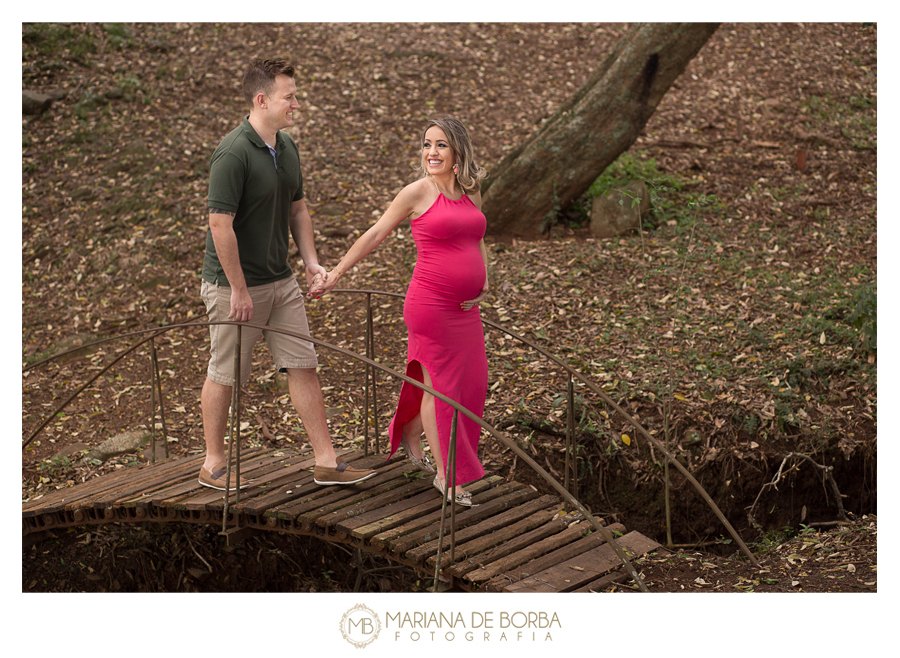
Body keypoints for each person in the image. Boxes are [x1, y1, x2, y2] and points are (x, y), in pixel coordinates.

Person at [198, 58, 376, 490]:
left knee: (303, 365)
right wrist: (239, 289)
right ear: (262, 100)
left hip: (281, 281)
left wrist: (311, 261)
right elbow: (219, 224)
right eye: (289, 97)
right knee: (225, 373)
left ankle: (326, 461)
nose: (296, 103)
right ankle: (213, 463)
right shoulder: (233, 152)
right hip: (233, 287)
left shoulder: (287, 146)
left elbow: (297, 208)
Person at [310, 116, 489, 506]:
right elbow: (376, 232)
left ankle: (410, 428)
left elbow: (476, 237)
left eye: (440, 144)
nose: (432, 152)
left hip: (466, 311)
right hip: (431, 305)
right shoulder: (416, 193)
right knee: (442, 388)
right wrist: (336, 274)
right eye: (427, 144)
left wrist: (483, 278)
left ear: (458, 150)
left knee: (473, 386)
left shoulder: (472, 192)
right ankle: (447, 475)